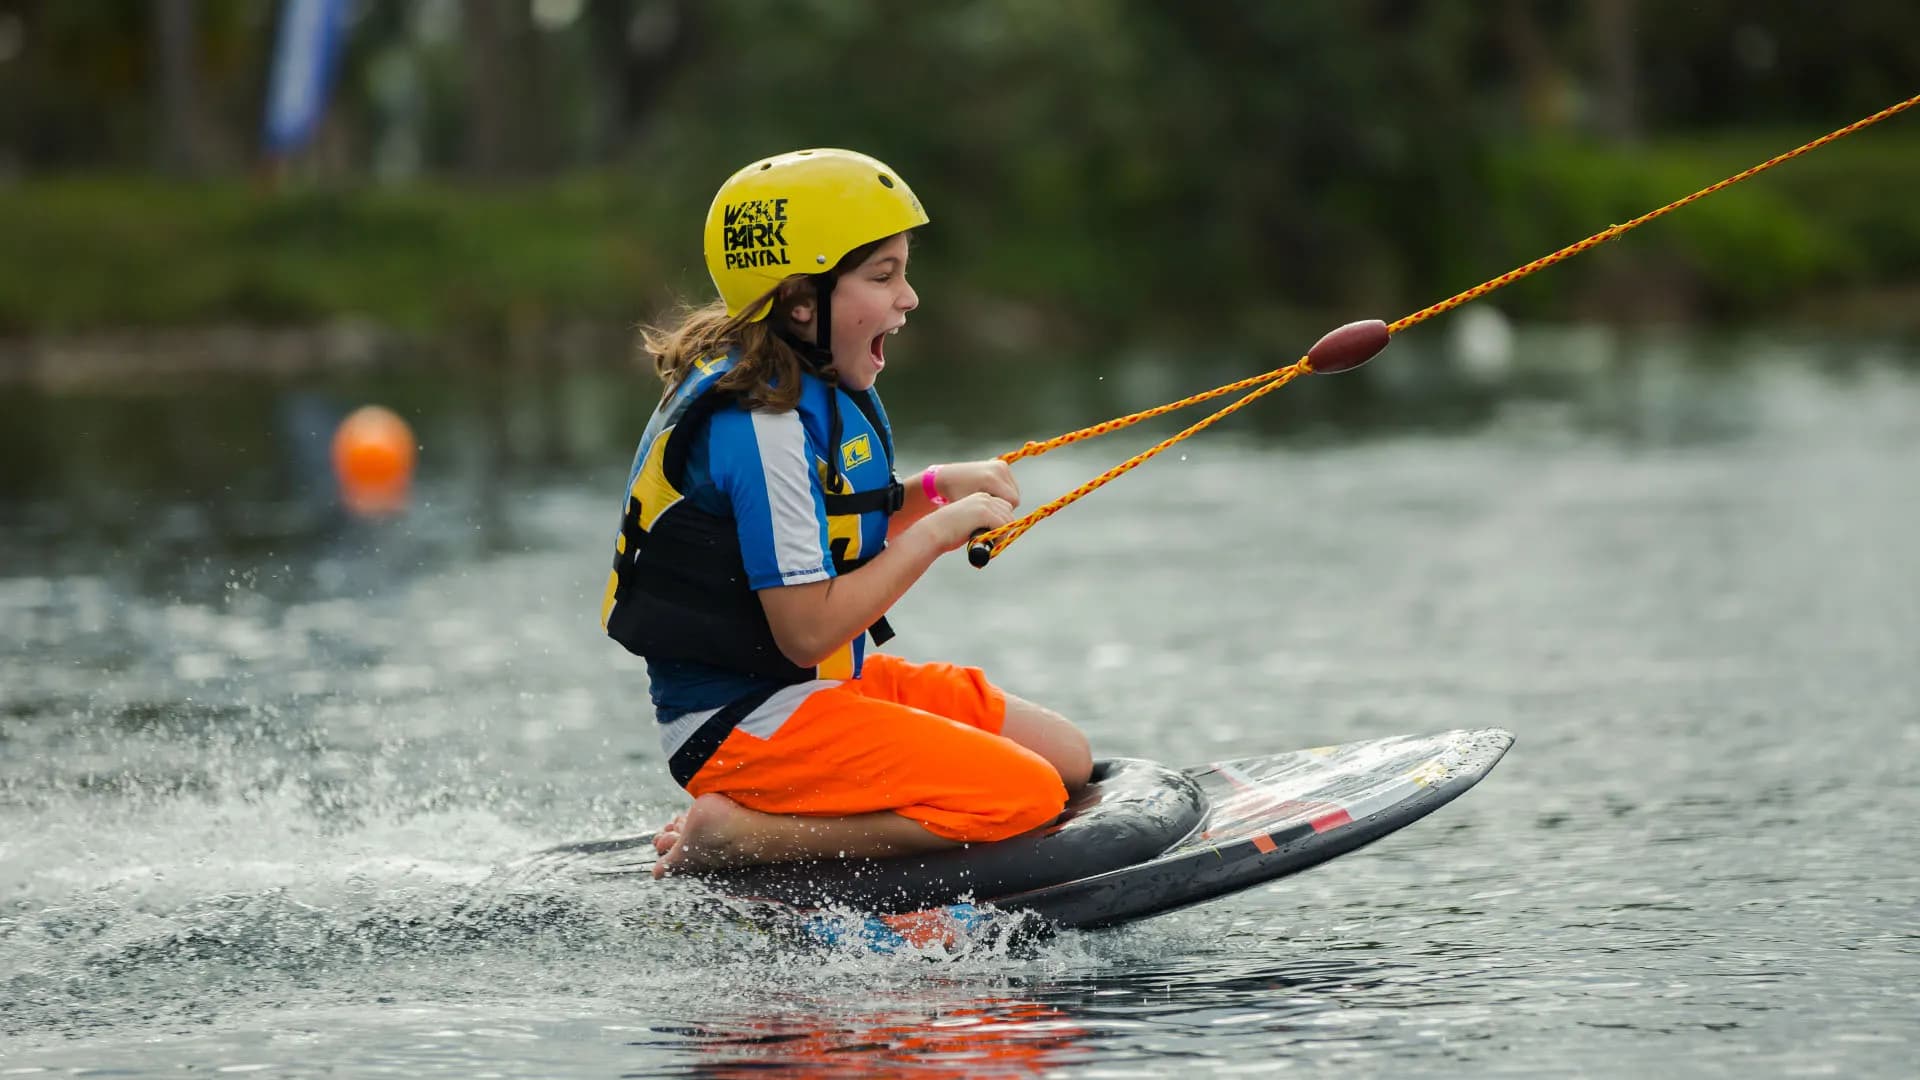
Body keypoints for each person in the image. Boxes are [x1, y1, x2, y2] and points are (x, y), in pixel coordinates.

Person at [599, 148, 1091, 879]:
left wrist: (932, 489)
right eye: (883, 276)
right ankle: (742, 835)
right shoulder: (759, 426)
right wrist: (938, 532)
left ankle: (779, 812)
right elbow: (806, 631)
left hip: (817, 688)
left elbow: (827, 529)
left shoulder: (796, 381)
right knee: (1027, 795)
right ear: (802, 302)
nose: (909, 298)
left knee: (1068, 758)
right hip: (745, 722)